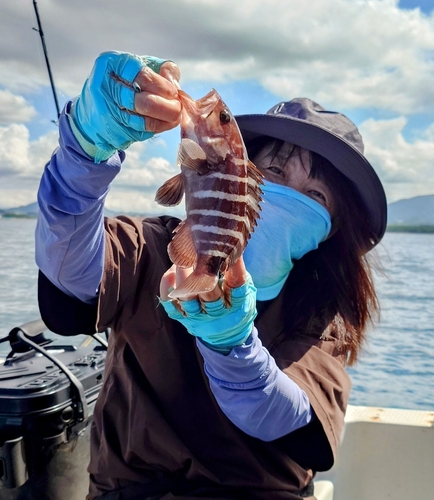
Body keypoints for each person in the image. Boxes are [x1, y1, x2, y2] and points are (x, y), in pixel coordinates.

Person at [35, 51, 387, 500]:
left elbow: (291, 423)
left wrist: (231, 344)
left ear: (330, 230)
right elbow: (71, 281)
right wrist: (84, 150)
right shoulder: (152, 246)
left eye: (315, 193)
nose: (286, 195)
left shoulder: (320, 307)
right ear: (247, 175)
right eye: (275, 170)